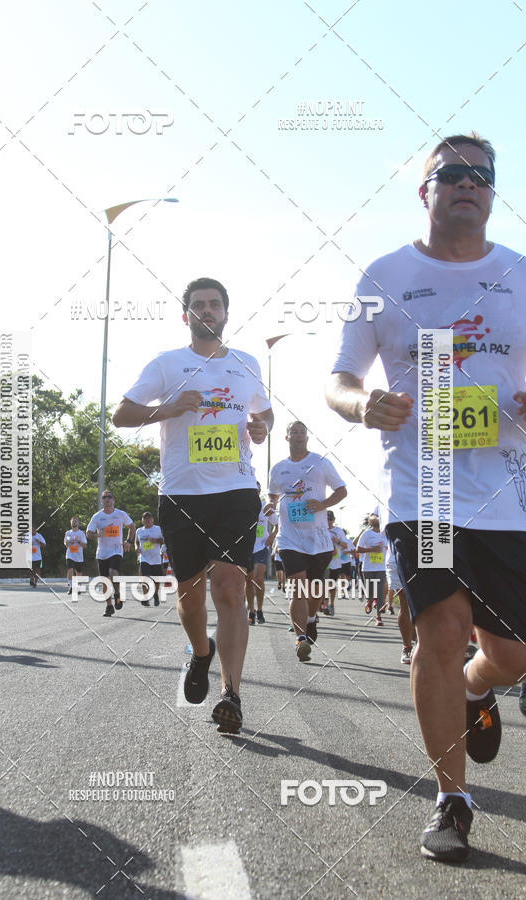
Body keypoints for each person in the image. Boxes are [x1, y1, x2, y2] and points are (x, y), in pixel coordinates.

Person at [327, 133, 526, 863]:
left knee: (511, 656)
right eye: (453, 174)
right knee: (439, 631)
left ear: (493, 191)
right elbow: (339, 376)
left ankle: (479, 690)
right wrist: (360, 405)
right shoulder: (385, 274)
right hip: (426, 486)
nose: (468, 183)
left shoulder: (521, 274)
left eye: (482, 174)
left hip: (510, 493)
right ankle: (453, 797)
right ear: (426, 191)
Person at [113, 277, 273, 734]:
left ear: (226, 312)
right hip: (182, 493)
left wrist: (260, 426)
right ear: (186, 315)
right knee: (189, 596)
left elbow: (263, 411)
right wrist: (168, 409)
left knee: (228, 588)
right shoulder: (167, 364)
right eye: (198, 305)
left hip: (236, 491)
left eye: (215, 304)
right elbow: (121, 415)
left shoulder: (246, 363)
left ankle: (232, 695)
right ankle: (201, 653)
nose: (207, 311)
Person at [268, 421, 346, 661]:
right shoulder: (278, 468)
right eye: (294, 432)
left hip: (318, 539)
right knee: (297, 588)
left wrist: (323, 504)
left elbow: (341, 490)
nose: (298, 435)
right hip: (290, 538)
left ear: (307, 437)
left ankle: (311, 618)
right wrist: (271, 506)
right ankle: (300, 639)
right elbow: (273, 495)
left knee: (314, 590)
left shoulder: (320, 463)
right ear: (287, 437)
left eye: (302, 432)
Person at [86, 490, 135, 616]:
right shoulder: (97, 516)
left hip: (116, 550)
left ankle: (117, 594)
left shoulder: (120, 514)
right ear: (101, 501)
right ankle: (109, 606)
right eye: (104, 497)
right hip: (102, 552)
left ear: (113, 500)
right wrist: (97, 534)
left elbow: (132, 527)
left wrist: (129, 541)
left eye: (109, 497)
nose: (107, 499)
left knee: (113, 572)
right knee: (105, 580)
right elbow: (88, 533)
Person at [246, 483, 278, 625]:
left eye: (257, 491)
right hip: (246, 548)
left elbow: (278, 524)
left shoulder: (265, 506)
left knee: (258, 578)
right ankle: (251, 611)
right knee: (248, 580)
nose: (255, 493)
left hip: (261, 547)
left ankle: (259, 609)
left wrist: (272, 535)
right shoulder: (242, 506)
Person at [355, 514, 386, 626]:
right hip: (368, 567)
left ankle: (378, 617)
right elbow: (358, 549)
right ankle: (369, 600)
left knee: (380, 592)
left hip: (382, 567)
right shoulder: (367, 534)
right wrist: (372, 549)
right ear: (370, 522)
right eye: (374, 517)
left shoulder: (385, 533)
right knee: (370, 590)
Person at [135, 512, 164, 606]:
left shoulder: (158, 529)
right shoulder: (139, 530)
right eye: (145, 518)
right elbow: (137, 542)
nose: (147, 520)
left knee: (156, 580)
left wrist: (156, 540)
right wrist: (136, 547)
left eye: (149, 518)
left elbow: (164, 540)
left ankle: (155, 594)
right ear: (142, 520)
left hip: (156, 558)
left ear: (153, 519)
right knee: (145, 578)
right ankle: (145, 598)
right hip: (144, 558)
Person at [325, 510, 348, 616]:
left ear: (333, 520)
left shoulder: (338, 531)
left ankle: (331, 604)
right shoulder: (320, 529)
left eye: (330, 519)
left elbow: (345, 545)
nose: (328, 522)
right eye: (326, 519)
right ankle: (324, 605)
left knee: (332, 585)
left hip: (335, 562)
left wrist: (337, 541)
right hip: (323, 562)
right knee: (322, 584)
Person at [64, 516, 87, 598]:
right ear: (70, 523)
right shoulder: (68, 533)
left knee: (78, 573)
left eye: (75, 521)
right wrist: (68, 542)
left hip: (79, 556)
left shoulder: (81, 533)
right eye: (73, 521)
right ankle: (71, 586)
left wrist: (78, 541)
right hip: (69, 555)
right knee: (70, 570)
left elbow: (84, 545)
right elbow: (66, 545)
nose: (74, 523)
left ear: (78, 523)